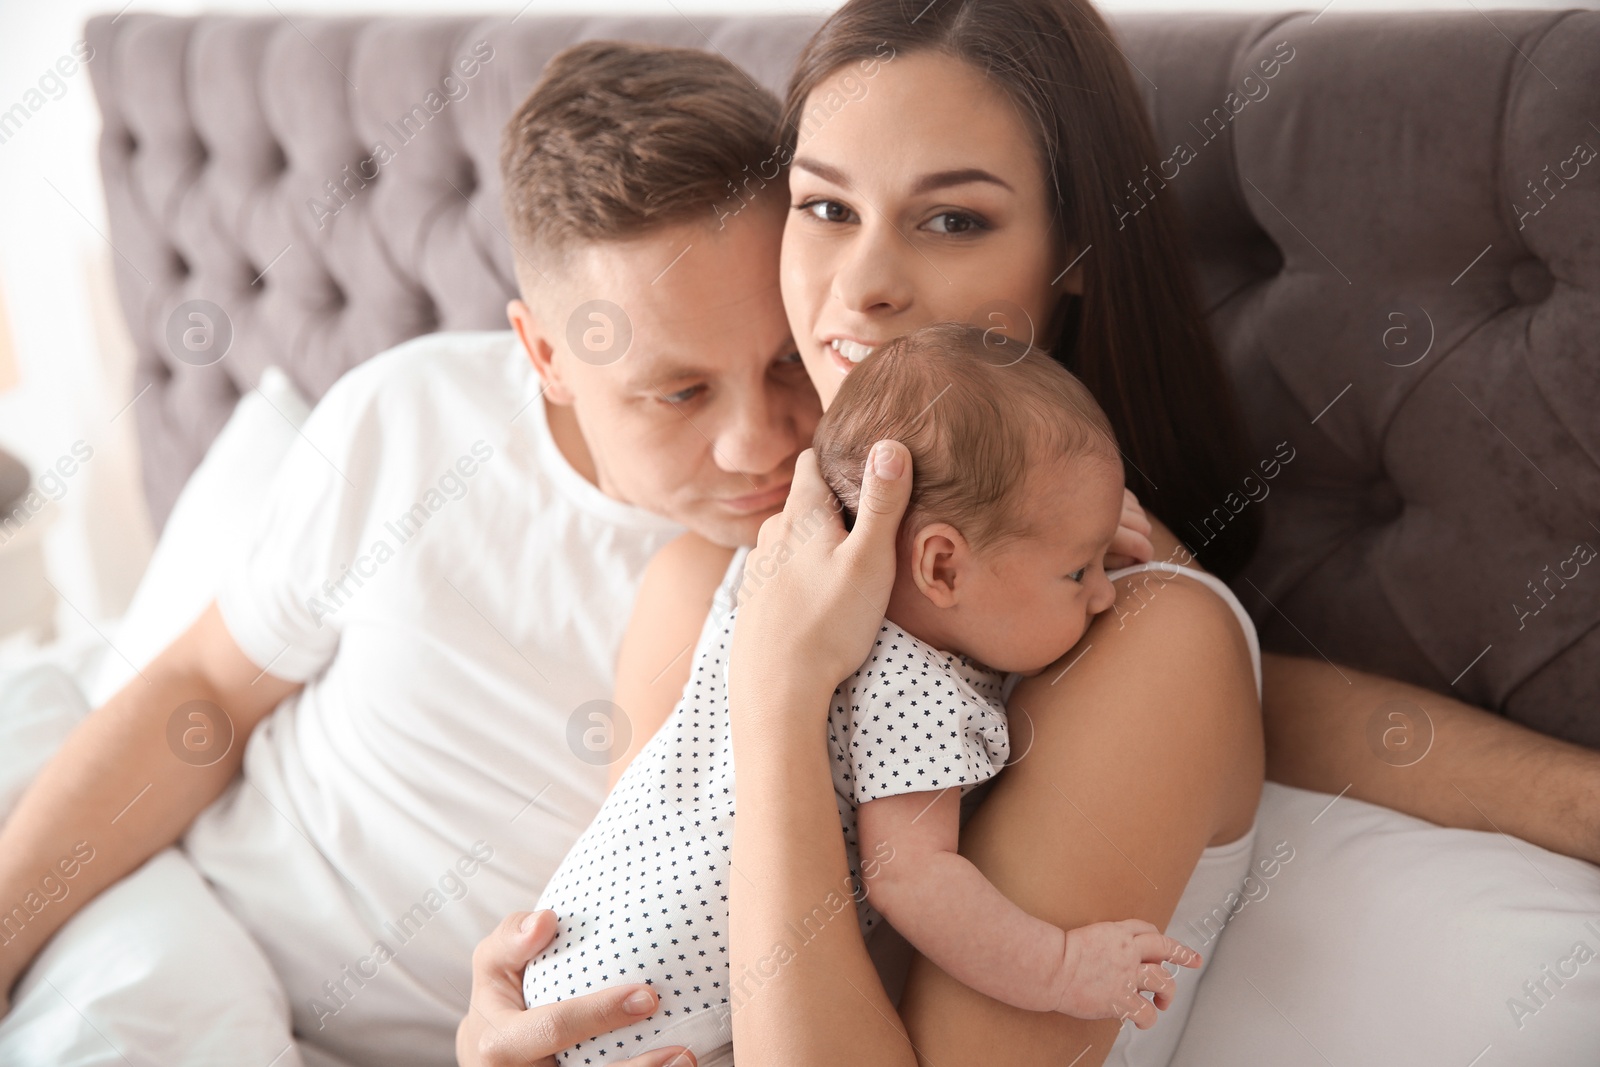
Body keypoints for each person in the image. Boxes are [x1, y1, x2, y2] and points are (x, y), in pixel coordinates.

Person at [461, 1, 1600, 1065]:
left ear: (1073, 257)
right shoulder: (709, 574)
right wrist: (504, 1029)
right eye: (823, 207)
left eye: (951, 219)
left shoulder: (1133, 626)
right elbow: (636, 944)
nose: (859, 286)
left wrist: (776, 695)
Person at [0, 41, 819, 1067]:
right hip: (187, 923)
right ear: (546, 355)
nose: (762, 440)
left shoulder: (842, 554)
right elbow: (201, 689)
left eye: (787, 356)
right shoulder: (410, 416)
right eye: (679, 391)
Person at [519, 327, 1207, 1065]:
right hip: (657, 1015)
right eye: (1080, 573)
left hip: (563, 959)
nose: (1106, 594)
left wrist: (1071, 534)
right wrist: (1062, 965)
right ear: (940, 566)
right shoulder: (923, 687)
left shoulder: (768, 577)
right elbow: (911, 878)